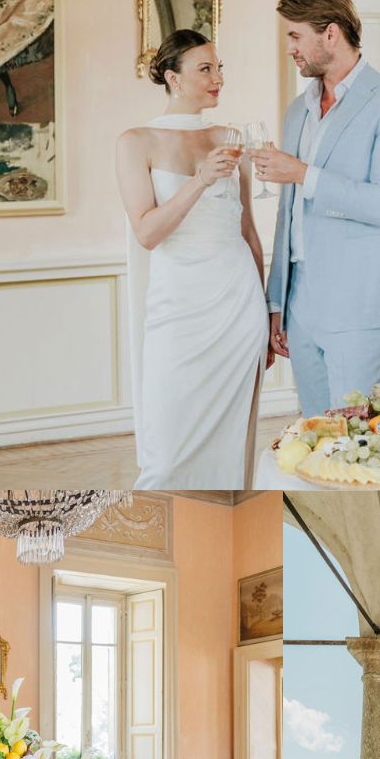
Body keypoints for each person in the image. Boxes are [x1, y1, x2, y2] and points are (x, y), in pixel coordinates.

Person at [252, 0, 380, 416]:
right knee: (314, 436)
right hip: (300, 302)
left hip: (361, 302)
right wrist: (277, 302)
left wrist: (302, 173)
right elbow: (287, 214)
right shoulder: (299, 109)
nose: (289, 48)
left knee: (354, 438)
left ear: (330, 33)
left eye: (295, 36)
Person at [116, 29, 269, 490]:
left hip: (238, 306)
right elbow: (147, 232)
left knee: (232, 448)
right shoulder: (135, 141)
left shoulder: (230, 137)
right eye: (205, 69)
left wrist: (266, 312)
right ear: (172, 78)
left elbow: (248, 232)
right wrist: (200, 180)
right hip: (178, 310)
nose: (218, 78)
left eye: (220, 68)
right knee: (164, 454)